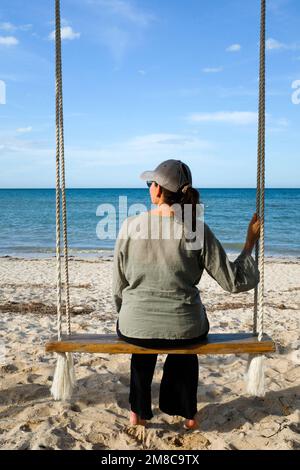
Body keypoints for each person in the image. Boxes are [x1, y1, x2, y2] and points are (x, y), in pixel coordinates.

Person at [112, 159, 260, 430]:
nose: (149, 188)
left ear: (157, 190)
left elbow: (118, 285)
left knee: (143, 337)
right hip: (185, 327)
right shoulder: (196, 229)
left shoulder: (130, 226)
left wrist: (126, 313)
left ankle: (138, 411)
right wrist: (249, 245)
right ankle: (187, 414)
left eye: (150, 183)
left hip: (134, 326)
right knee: (187, 336)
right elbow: (234, 282)